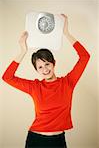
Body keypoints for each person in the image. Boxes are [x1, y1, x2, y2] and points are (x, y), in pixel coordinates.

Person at [2, 14, 90, 148]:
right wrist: (23, 50)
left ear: (54, 63)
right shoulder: (34, 87)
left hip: (59, 141)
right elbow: (7, 77)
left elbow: (84, 56)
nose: (45, 69)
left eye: (47, 64)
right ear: (37, 70)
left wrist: (66, 33)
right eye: (40, 67)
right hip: (36, 140)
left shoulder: (68, 82)